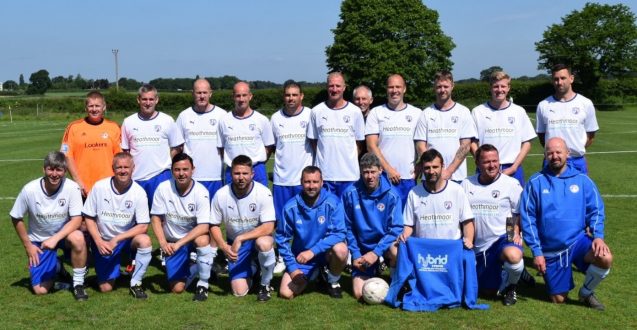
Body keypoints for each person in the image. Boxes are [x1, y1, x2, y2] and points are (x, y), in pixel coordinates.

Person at [521, 137, 612, 310]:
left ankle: (586, 293)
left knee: (604, 258)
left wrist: (598, 236)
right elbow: (528, 220)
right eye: (550, 153)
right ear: (545, 155)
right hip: (551, 250)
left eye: (558, 152)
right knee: (558, 299)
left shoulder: (582, 180)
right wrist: (537, 252)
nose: (554, 156)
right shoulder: (536, 182)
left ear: (567, 153)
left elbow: (596, 210)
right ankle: (557, 279)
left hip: (577, 242)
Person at [9, 151, 88, 300]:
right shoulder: (30, 190)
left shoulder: (72, 188)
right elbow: (16, 217)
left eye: (59, 170)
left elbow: (77, 220)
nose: (54, 174)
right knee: (40, 290)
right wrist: (28, 246)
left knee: (78, 237)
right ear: (43, 169)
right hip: (40, 241)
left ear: (65, 171)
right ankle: (58, 267)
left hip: (64, 237)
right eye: (50, 169)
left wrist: (55, 239)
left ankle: (78, 284)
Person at [82, 152, 152, 299]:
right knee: (105, 288)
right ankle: (113, 271)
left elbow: (143, 226)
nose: (122, 170)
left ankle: (136, 283)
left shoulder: (138, 192)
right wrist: (99, 241)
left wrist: (117, 239)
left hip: (125, 241)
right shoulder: (100, 187)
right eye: (118, 167)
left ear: (133, 168)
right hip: (104, 241)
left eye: (126, 167)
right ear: (112, 168)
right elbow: (88, 217)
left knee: (144, 240)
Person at [461, 144, 524, 305]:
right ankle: (503, 275)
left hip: (500, 240)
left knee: (514, 255)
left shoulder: (511, 184)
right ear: (477, 163)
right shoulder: (466, 184)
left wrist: (513, 234)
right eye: (487, 162)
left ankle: (511, 287)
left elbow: (516, 213)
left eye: (495, 161)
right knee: (487, 292)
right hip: (476, 245)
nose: (492, 165)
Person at [210, 155, 277, 302]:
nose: (241, 177)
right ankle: (255, 267)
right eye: (237, 173)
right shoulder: (221, 195)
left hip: (256, 240)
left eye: (245, 173)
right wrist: (223, 246)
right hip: (236, 245)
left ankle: (265, 284)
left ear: (252, 174)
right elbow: (214, 225)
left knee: (264, 243)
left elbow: (268, 227)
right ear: (231, 174)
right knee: (239, 291)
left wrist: (241, 237)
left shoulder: (263, 192)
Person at [150, 153, 215, 301]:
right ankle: (198, 266)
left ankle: (203, 285)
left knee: (203, 240)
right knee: (177, 289)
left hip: (190, 240)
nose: (181, 174)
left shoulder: (201, 192)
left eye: (185, 169)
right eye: (177, 170)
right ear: (172, 170)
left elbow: (204, 226)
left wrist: (180, 243)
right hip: (172, 242)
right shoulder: (163, 188)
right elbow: (155, 218)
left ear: (193, 169)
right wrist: (163, 243)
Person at [276, 166, 348, 299]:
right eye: (307, 182)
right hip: (302, 258)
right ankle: (316, 273)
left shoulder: (333, 202)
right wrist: (292, 268)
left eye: (315, 182)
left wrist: (313, 251)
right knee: (285, 294)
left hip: (326, 254)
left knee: (341, 250)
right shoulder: (290, 207)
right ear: (301, 182)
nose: (311, 186)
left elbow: (339, 233)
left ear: (322, 182)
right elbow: (282, 239)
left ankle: (332, 281)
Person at [341, 153, 402, 300]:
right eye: (366, 172)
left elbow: (396, 228)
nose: (369, 176)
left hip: (384, 246)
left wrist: (376, 253)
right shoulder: (350, 193)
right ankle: (372, 269)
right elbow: (347, 227)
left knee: (397, 250)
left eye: (373, 171)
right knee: (359, 293)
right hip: (361, 247)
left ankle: (396, 282)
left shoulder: (392, 195)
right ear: (360, 172)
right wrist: (355, 254)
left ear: (381, 170)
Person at [270, 80, 313, 274]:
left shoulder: (310, 115)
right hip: (282, 179)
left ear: (301, 96)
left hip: (305, 181)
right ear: (283, 96)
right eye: (288, 95)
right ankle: (281, 256)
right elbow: (270, 147)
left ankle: (308, 254)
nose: (291, 98)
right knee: (281, 221)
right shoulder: (275, 118)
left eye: (295, 95)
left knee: (307, 221)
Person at [121, 84, 184, 205]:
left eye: (151, 99)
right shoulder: (128, 122)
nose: (148, 103)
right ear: (138, 100)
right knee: (137, 217)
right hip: (136, 177)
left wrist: (166, 162)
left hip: (160, 176)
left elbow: (177, 146)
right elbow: (126, 151)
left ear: (156, 100)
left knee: (162, 217)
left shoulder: (167, 120)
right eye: (144, 99)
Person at [471, 71, 536, 186]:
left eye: (503, 86)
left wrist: (514, 167)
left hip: (512, 169)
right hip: (485, 169)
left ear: (508, 88)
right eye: (496, 86)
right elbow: (472, 142)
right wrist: (482, 163)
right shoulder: (478, 111)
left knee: (517, 204)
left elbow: (527, 142)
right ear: (490, 88)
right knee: (483, 204)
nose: (499, 90)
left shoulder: (518, 111)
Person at [366, 74, 422, 205]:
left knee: (407, 221)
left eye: (398, 87)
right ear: (386, 89)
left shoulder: (417, 113)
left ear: (404, 89)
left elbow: (423, 144)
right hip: (383, 178)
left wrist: (421, 165)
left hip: (408, 178)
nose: (394, 90)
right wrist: (388, 170)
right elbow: (371, 146)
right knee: (384, 220)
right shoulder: (376, 113)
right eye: (391, 87)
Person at [307, 72, 365, 197]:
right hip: (324, 176)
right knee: (326, 214)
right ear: (327, 87)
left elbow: (359, 143)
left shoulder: (355, 112)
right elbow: (314, 141)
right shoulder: (316, 111)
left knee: (349, 215)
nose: (334, 89)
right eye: (331, 86)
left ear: (344, 87)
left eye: (338, 86)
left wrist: (348, 159)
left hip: (349, 175)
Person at [400, 149, 474, 246]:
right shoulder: (414, 193)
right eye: (427, 168)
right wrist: (404, 235)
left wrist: (468, 239)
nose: (431, 171)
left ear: (442, 167)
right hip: (424, 249)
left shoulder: (457, 190)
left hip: (451, 248)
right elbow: (409, 224)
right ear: (422, 169)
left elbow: (467, 221)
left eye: (435, 167)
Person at [536, 64, 599, 174]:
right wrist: (555, 152)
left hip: (577, 161)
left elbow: (591, 136)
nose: (559, 82)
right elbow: (542, 136)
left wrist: (573, 150)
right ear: (552, 81)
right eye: (556, 79)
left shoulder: (586, 103)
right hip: (552, 161)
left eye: (563, 78)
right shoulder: (543, 105)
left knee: (579, 191)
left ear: (571, 78)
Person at [415, 71, 477, 182]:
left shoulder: (463, 112)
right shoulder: (426, 113)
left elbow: (465, 146)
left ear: (452, 86)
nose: (442, 90)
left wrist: (449, 171)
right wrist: (434, 169)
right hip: (431, 177)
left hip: (457, 177)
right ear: (434, 87)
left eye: (446, 86)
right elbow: (420, 146)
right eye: (439, 86)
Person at [60, 91, 122, 198]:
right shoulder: (73, 128)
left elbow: (120, 157)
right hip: (82, 188)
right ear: (86, 108)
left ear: (104, 107)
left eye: (97, 106)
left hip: (109, 187)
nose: (94, 109)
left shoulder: (114, 127)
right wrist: (78, 181)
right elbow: (66, 155)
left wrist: (118, 182)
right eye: (91, 106)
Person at [176, 78, 227, 199]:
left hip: (215, 178)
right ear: (192, 93)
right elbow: (177, 147)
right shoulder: (184, 116)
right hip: (190, 178)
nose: (202, 96)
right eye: (199, 93)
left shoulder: (222, 115)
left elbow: (227, 147)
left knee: (214, 217)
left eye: (205, 92)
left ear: (210, 93)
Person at [217, 81, 274, 187]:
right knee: (232, 203)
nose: (241, 99)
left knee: (259, 202)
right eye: (238, 96)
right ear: (233, 97)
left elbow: (269, 147)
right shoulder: (224, 120)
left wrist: (254, 163)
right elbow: (221, 148)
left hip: (256, 170)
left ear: (250, 96)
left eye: (244, 95)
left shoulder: (261, 119)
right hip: (232, 171)